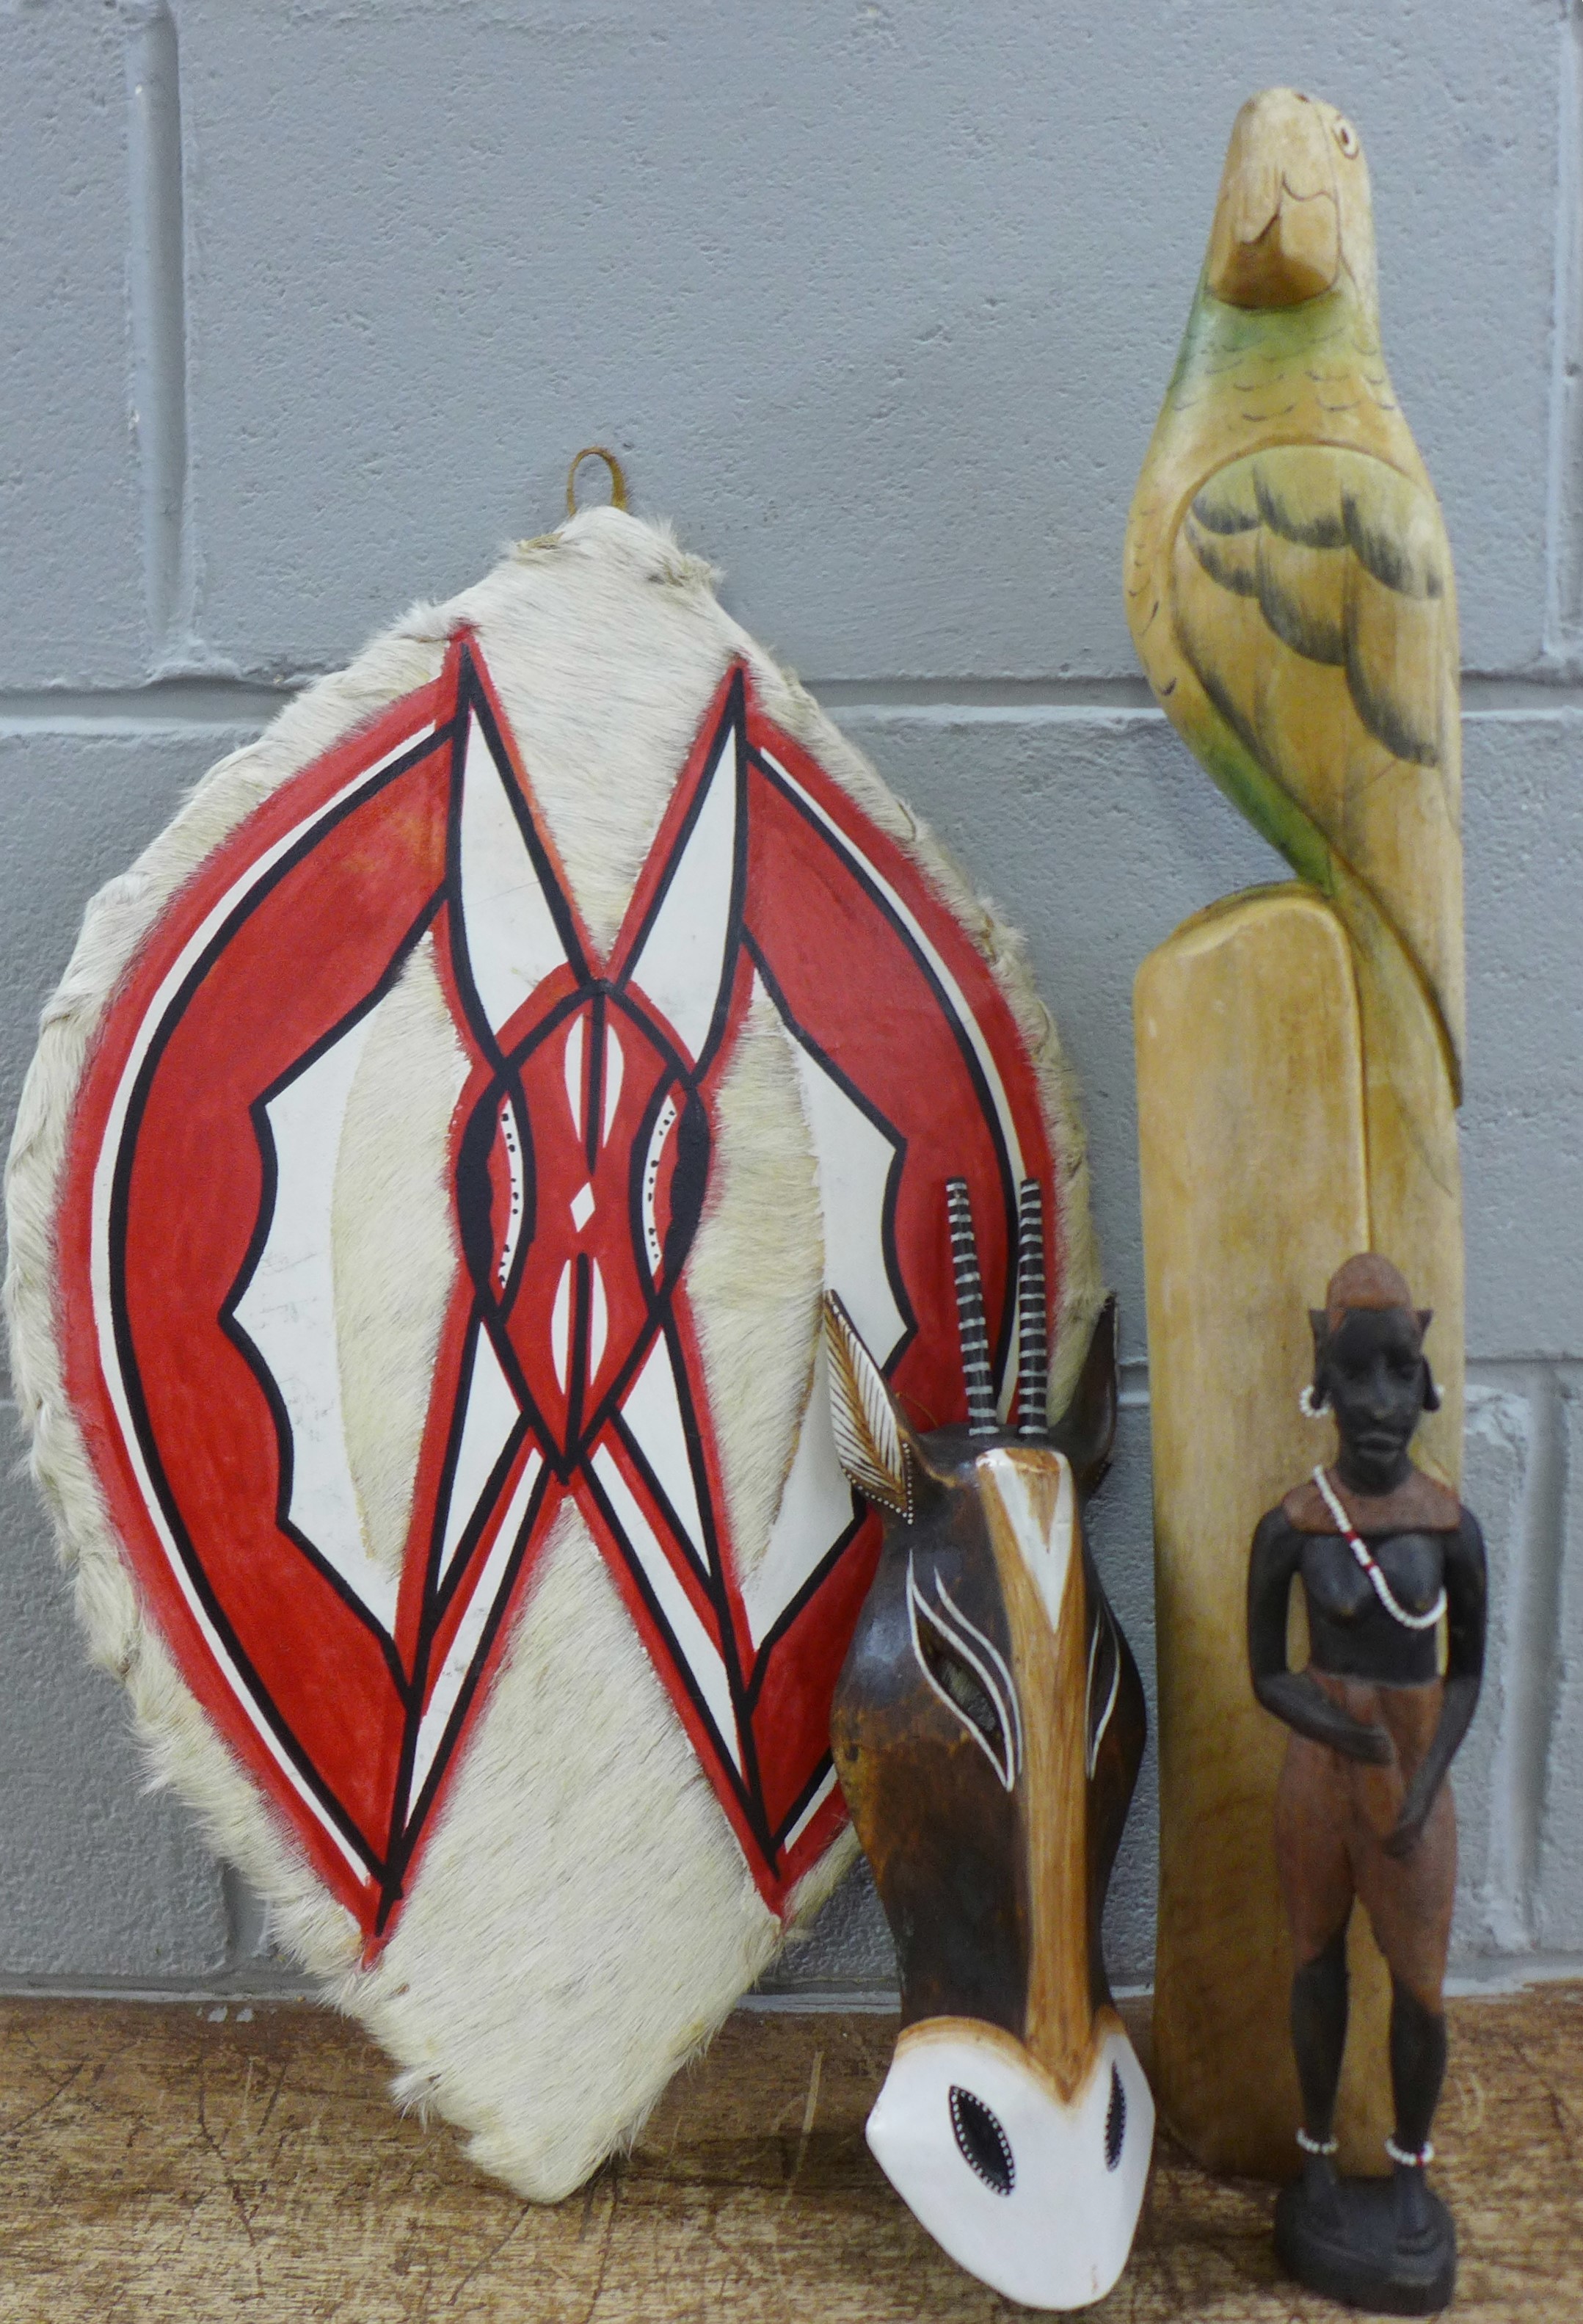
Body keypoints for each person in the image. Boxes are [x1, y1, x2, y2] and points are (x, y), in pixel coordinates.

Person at [1247, 1254, 1485, 2314]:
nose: (1380, 1405)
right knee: (1313, 1963)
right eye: (1357, 1375)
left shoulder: (1448, 1526)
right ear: (1322, 1383)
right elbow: (1265, 1674)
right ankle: (1310, 2155)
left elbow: (1469, 1667)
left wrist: (1425, 1775)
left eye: (1400, 1373)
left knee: (1422, 1991)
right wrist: (1341, 1735)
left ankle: (1409, 2164)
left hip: (1411, 1795)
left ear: (1425, 1382)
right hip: (1320, 1783)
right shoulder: (1291, 1525)